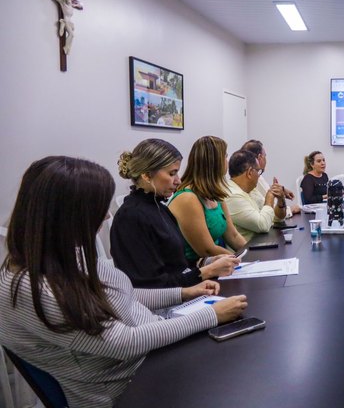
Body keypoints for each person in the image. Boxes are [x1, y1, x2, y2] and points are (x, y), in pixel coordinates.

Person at [0, 156, 247, 407]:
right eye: (98, 209)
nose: (107, 216)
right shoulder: (38, 289)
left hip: (148, 357)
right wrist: (211, 315)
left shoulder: (60, 254)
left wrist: (183, 293)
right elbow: (125, 342)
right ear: (67, 216)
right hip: (125, 388)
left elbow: (122, 294)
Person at [111, 139, 238, 288]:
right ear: (146, 175)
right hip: (162, 306)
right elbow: (150, 287)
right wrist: (205, 272)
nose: (178, 181)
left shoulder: (159, 208)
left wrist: (207, 262)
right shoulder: (131, 217)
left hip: (180, 292)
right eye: (172, 174)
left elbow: (176, 264)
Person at [168, 136, 247, 265]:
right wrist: (238, 260)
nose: (227, 161)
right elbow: (207, 250)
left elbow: (233, 236)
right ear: (214, 162)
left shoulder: (215, 194)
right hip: (193, 269)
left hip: (214, 264)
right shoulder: (187, 198)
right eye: (225, 156)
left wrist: (250, 253)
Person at [225, 150, 282, 239]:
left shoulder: (249, 190)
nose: (259, 176)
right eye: (258, 172)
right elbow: (263, 225)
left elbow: (273, 217)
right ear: (250, 172)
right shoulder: (233, 195)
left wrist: (281, 201)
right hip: (249, 250)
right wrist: (270, 198)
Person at [242, 139, 299, 219]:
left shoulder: (256, 175)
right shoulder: (252, 178)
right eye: (265, 156)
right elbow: (269, 213)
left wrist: (281, 189)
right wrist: (290, 210)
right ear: (260, 157)